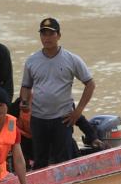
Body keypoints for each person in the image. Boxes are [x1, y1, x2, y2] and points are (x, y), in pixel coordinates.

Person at [19, 17, 95, 169]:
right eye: (43, 34)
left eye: (50, 34)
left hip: (63, 119)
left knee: (63, 160)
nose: (47, 38)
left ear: (59, 36)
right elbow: (26, 86)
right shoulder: (32, 61)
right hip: (38, 119)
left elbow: (90, 84)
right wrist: (24, 101)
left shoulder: (72, 59)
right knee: (40, 161)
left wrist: (78, 112)